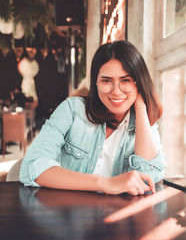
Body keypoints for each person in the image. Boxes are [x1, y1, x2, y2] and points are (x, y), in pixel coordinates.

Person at [19, 40, 167, 196]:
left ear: (139, 83)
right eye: (106, 81)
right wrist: (105, 183)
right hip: (65, 213)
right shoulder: (72, 110)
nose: (116, 91)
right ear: (96, 82)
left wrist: (141, 105)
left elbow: (150, 177)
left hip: (119, 217)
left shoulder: (143, 122)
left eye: (126, 80)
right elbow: (32, 167)